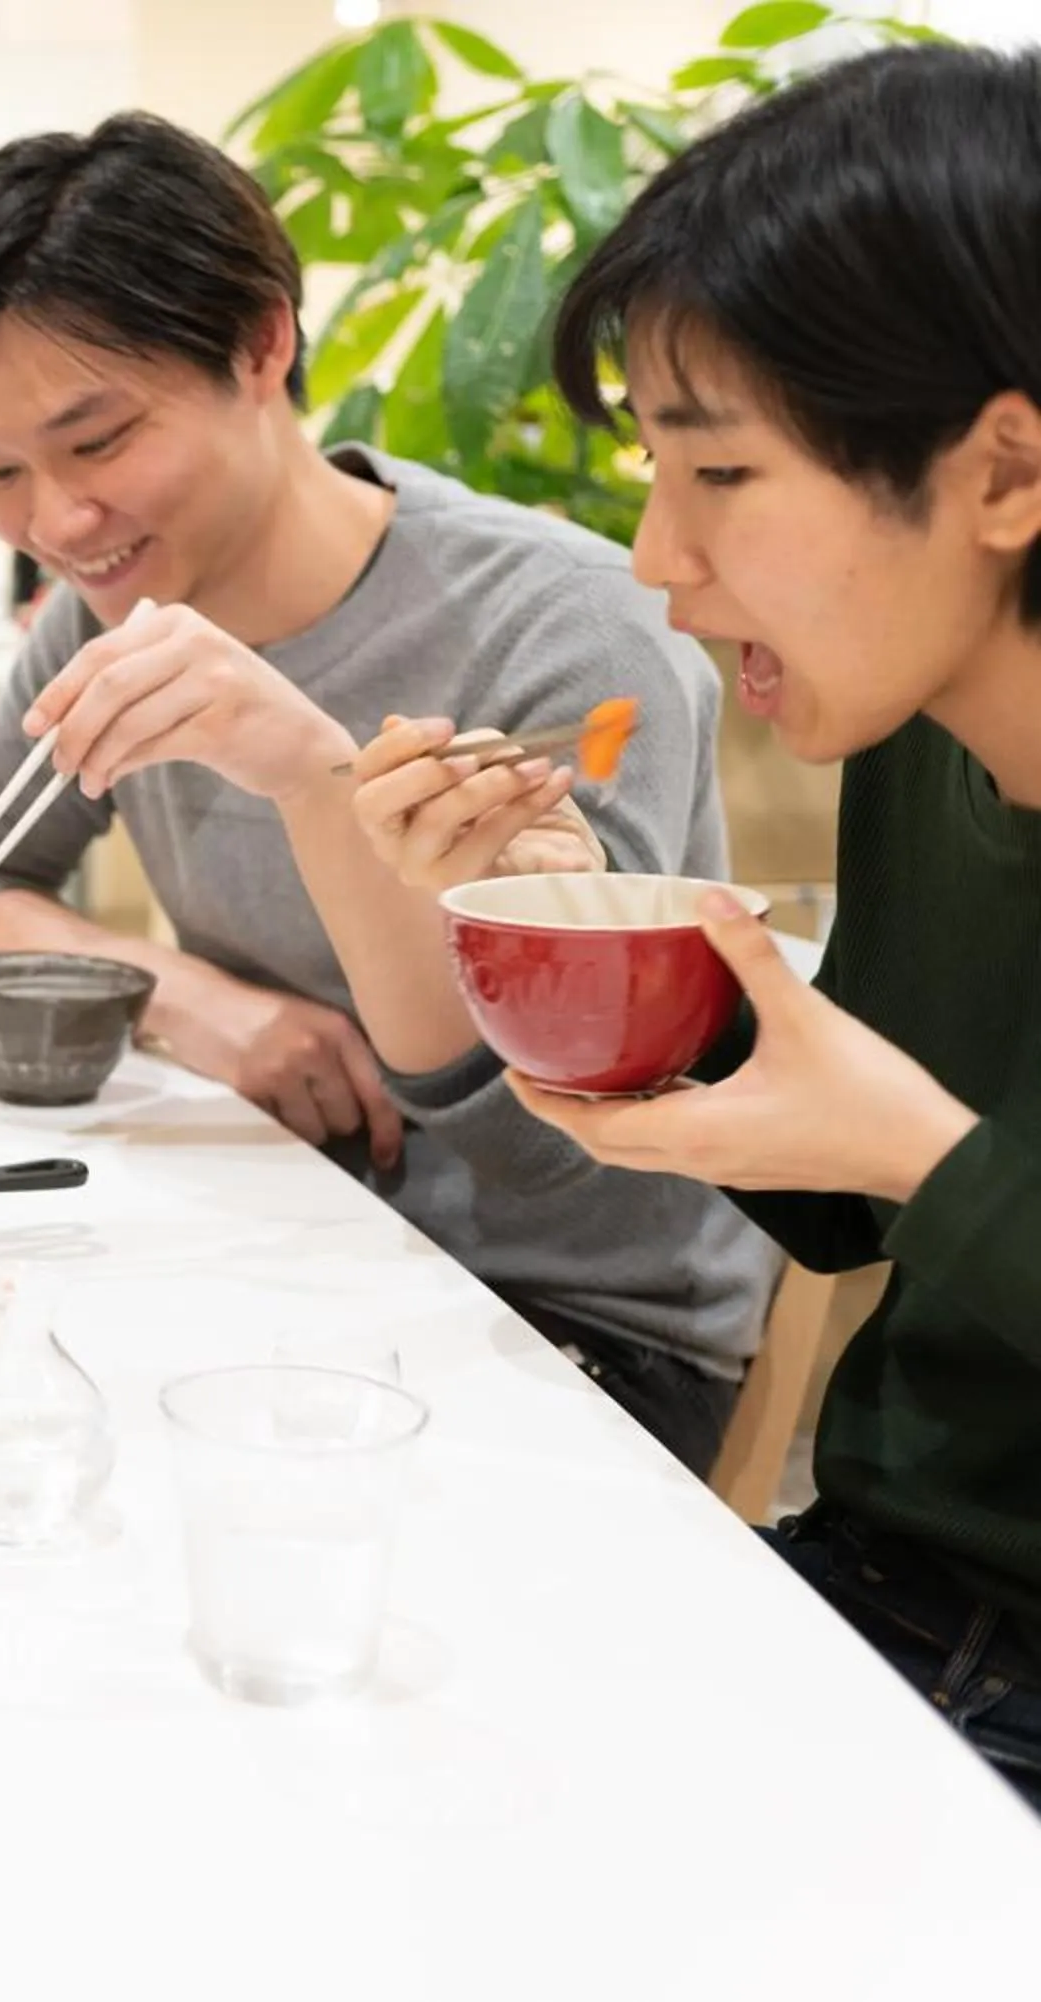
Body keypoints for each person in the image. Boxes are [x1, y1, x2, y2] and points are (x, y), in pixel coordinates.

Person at [349, 44, 1041, 1809]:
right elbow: (842, 1184)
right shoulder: (923, 745)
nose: (657, 559)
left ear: (1003, 471)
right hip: (872, 1595)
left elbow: (910, 1160)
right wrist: (608, 950)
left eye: (718, 475)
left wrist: (919, 1147)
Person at [0, 112, 778, 1473]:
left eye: (99, 438)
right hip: (280, 1252)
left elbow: (554, 1148)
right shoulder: (114, 615)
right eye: (2, 470)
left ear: (261, 344)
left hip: (566, 1320)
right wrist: (205, 1006)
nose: (56, 522)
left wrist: (316, 777)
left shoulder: (571, 631)